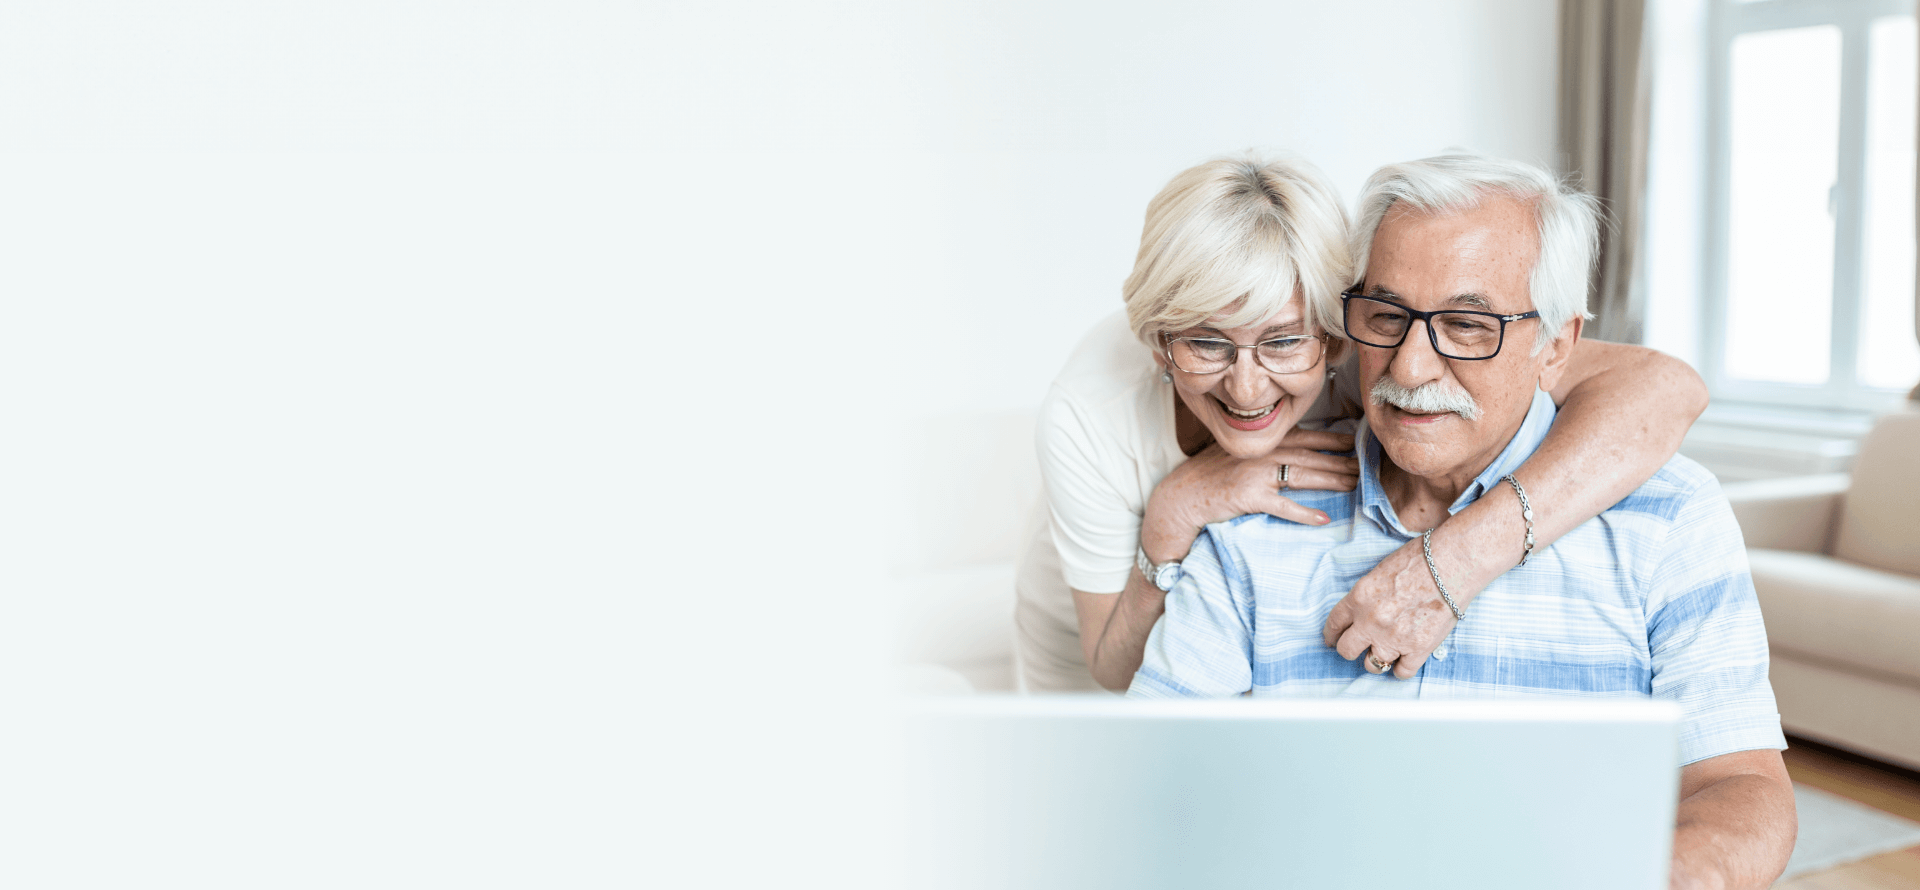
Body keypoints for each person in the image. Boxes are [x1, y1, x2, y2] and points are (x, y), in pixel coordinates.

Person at [1128, 153, 1795, 890]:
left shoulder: (1669, 518)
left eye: (1467, 326)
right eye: (1386, 317)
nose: (1409, 368)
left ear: (1558, 345)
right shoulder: (1257, 522)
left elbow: (1742, 788)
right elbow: (1149, 785)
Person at [1016, 153, 1710, 693]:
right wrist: (1175, 511)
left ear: (1332, 333)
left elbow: (1667, 387)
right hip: (1099, 639)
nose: (1248, 386)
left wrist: (1459, 557)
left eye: (1284, 342)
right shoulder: (1087, 413)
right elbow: (1111, 668)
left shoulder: (1381, 345)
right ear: (1159, 340)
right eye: (1206, 343)